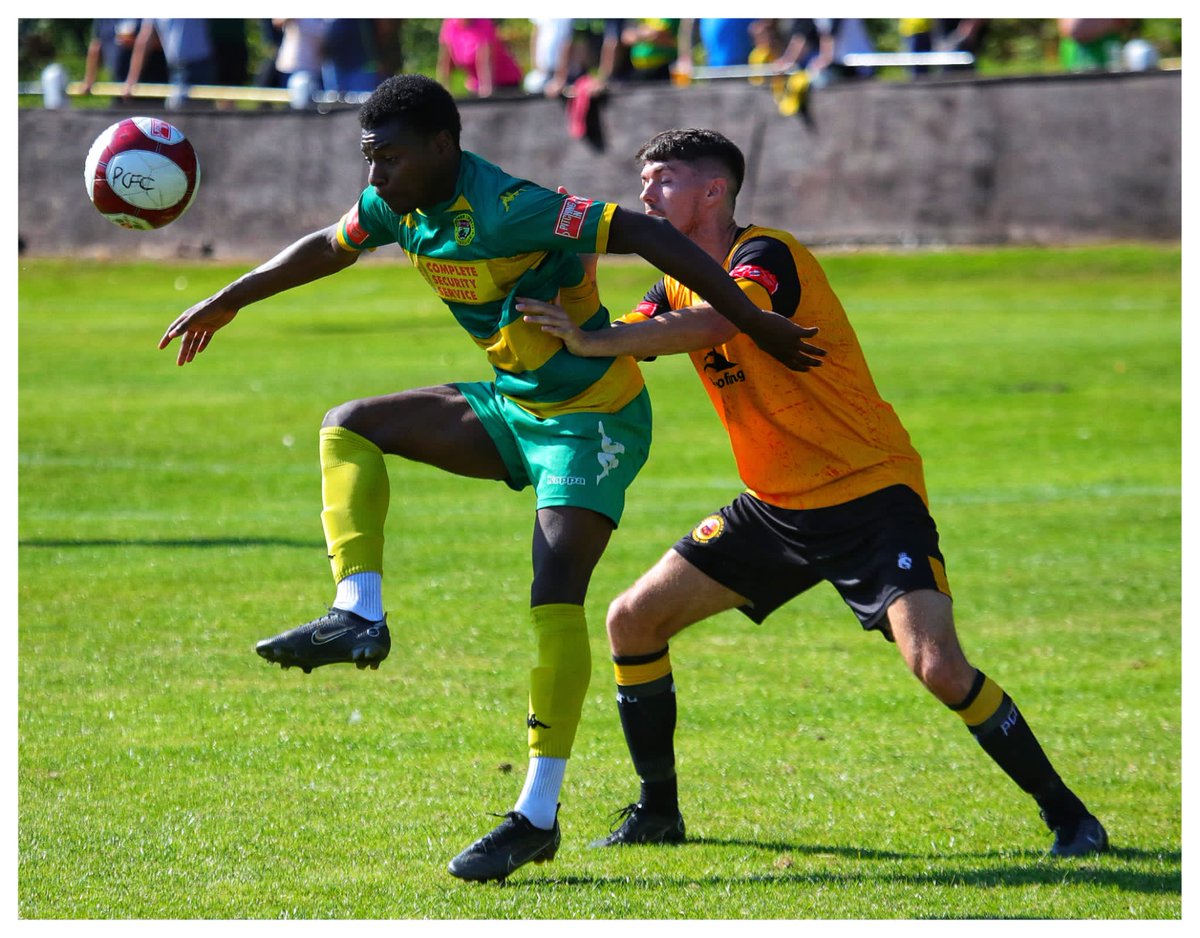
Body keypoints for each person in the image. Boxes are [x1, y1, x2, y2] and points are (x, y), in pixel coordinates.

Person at [157, 78, 825, 884]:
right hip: (515, 405)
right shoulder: (399, 207)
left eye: (390, 160)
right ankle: (356, 612)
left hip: (593, 422)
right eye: (370, 160)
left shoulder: (513, 204)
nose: (376, 179)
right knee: (350, 424)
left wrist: (752, 320)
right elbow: (327, 245)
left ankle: (535, 815)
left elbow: (647, 232)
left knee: (554, 595)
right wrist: (227, 299)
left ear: (443, 146)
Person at [518, 128, 1110, 859]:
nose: (645, 195)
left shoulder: (768, 255)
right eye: (642, 182)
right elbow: (635, 339)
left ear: (713, 191)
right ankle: (658, 812)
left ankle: (1071, 817)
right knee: (632, 622)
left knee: (938, 667)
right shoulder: (671, 279)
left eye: (662, 179)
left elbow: (720, 316)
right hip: (774, 507)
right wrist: (567, 307)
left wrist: (596, 341)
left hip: (868, 494)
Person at [437, 18, 523, 98]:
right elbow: (445, 63)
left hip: (506, 82)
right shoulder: (450, 25)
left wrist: (487, 91)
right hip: (476, 84)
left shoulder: (484, 23)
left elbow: (485, 61)